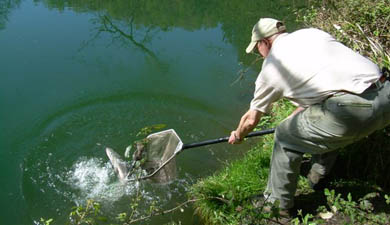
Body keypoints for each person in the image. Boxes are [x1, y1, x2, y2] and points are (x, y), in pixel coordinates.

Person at [228, 18, 390, 214]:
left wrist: (238, 135)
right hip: (385, 94)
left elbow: (251, 119)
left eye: (257, 49)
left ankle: (276, 206)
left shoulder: (272, 67)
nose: (259, 54)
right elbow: (324, 91)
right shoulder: (312, 33)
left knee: (285, 136)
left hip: (351, 112)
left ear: (265, 42)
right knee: (319, 118)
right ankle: (318, 177)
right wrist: (292, 120)